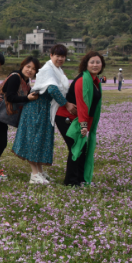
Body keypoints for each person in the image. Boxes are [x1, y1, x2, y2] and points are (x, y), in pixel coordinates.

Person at [13, 45, 75, 184]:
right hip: (36, 109)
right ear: (51, 55)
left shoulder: (56, 70)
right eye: (57, 55)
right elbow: (52, 89)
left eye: (63, 56)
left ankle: (40, 172)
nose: (60, 58)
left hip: (44, 109)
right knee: (34, 140)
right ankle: (34, 174)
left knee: (41, 140)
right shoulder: (48, 70)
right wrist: (66, 104)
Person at [0, 56, 39, 179]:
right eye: (28, 66)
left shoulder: (26, 82)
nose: (30, 70)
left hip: (1, 117)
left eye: (33, 69)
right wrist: (27, 98)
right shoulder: (15, 77)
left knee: (1, 143)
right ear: (22, 66)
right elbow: (10, 97)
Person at [55, 51, 104, 186]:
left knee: (82, 148)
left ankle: (81, 180)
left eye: (98, 62)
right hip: (67, 117)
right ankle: (71, 182)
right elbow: (82, 104)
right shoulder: (83, 80)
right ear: (85, 64)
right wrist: (83, 125)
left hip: (79, 119)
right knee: (76, 148)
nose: (95, 65)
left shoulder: (95, 81)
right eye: (92, 62)